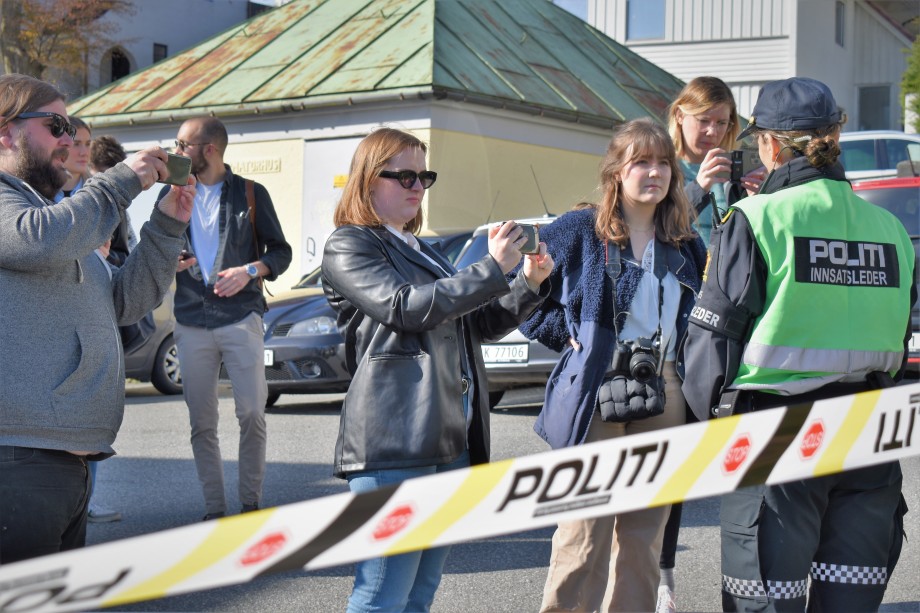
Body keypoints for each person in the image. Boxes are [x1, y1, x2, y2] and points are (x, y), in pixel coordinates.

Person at [682, 77, 915, 612]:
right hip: (869, 432)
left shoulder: (756, 218)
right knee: (849, 599)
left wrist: (705, 428)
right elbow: (899, 339)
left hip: (777, 437)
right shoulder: (890, 229)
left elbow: (713, 341)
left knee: (767, 599)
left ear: (767, 144)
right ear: (835, 135)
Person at [321, 127, 553, 613]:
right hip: (393, 438)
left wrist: (527, 282)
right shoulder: (349, 244)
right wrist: (490, 267)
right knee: (382, 592)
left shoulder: (420, 248)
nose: (415, 186)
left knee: (420, 592)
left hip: (448, 434)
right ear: (367, 180)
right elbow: (405, 308)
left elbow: (478, 323)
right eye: (402, 175)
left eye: (423, 176)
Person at [0, 73, 194, 564]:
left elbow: (123, 303)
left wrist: (168, 222)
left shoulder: (54, 214)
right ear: (5, 131)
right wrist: (123, 180)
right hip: (16, 459)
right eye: (56, 125)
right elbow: (36, 238)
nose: (69, 139)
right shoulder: (32, 219)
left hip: (65, 459)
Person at [519, 117, 706, 612]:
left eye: (663, 162)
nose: (655, 172)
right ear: (616, 172)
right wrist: (572, 338)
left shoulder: (684, 241)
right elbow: (527, 297)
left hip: (664, 385)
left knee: (645, 534)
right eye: (641, 161)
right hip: (597, 385)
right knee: (584, 529)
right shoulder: (579, 229)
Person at [166, 116, 292, 521]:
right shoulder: (172, 194)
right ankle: (215, 511)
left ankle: (250, 504)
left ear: (210, 150)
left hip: (240, 318)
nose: (177, 151)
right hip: (191, 319)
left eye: (183, 144)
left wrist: (250, 271)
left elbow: (281, 252)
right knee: (202, 422)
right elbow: (154, 247)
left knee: (252, 413)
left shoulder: (252, 194)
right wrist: (173, 261)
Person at [668, 76, 766, 246]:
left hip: (723, 272)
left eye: (721, 123)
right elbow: (663, 227)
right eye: (703, 120)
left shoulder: (735, 170)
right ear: (679, 115)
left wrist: (758, 202)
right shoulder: (662, 168)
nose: (712, 131)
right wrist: (699, 188)